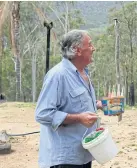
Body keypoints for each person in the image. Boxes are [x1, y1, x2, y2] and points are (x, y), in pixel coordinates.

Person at [35, 30, 103, 168]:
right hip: (65, 159)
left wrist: (98, 105)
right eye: (89, 45)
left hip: (83, 153)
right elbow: (42, 114)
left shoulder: (83, 73)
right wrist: (78, 118)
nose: (93, 48)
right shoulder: (57, 76)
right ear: (77, 50)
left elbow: (75, 105)